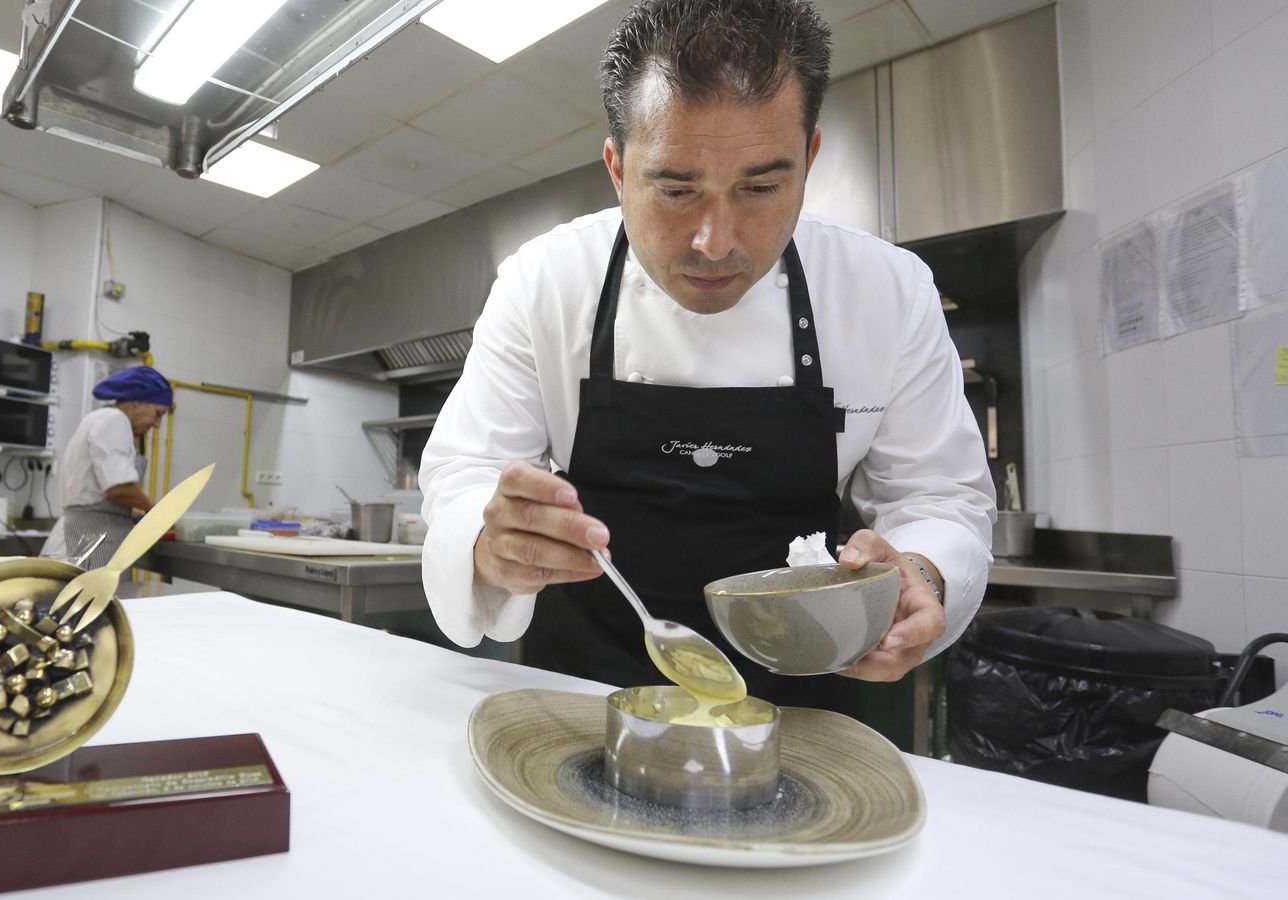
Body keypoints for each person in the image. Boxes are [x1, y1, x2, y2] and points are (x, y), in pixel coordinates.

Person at [419, 0, 995, 713]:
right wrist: (490, 538)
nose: (715, 240)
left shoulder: (887, 292)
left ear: (809, 159)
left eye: (759, 188)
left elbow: (939, 497)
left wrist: (924, 576)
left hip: (805, 711)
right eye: (675, 189)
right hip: (576, 701)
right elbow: (466, 471)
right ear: (616, 168)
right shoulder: (546, 281)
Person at [41, 366, 171, 570]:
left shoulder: (103, 419)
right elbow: (118, 488)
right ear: (137, 401)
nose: (157, 424)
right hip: (90, 540)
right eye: (157, 414)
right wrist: (156, 510)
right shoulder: (114, 420)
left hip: (86, 536)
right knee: (91, 600)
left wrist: (131, 512)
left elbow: (97, 490)